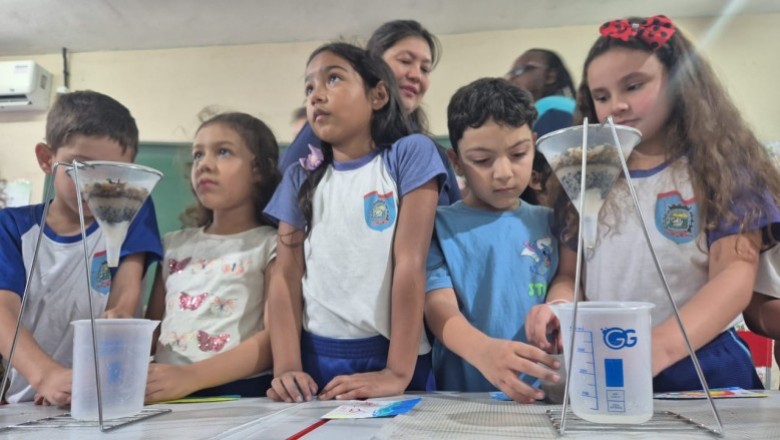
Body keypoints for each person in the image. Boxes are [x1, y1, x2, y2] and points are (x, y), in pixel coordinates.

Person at [525, 15, 780, 392]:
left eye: (633, 85)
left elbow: (733, 278)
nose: (617, 106)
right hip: (608, 362)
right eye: (601, 96)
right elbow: (570, 275)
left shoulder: (725, 171)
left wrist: (656, 349)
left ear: (680, 83)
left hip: (704, 366)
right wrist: (559, 309)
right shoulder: (584, 175)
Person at [264, 42, 447, 402]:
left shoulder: (409, 155)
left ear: (378, 95)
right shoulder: (300, 179)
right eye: (309, 87)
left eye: (333, 79)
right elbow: (285, 276)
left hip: (396, 356)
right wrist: (286, 367)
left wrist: (396, 372)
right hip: (314, 364)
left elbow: (410, 263)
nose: (317, 95)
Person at [0, 90, 163, 405]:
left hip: (101, 394)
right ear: (47, 159)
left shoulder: (131, 206)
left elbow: (126, 291)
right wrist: (45, 375)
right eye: (82, 167)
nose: (98, 185)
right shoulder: (12, 227)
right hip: (27, 400)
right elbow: (3, 310)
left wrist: (119, 320)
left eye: (115, 174)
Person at [424, 78, 561, 403]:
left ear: (534, 143)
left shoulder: (550, 221)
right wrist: (482, 351)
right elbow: (436, 305)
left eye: (518, 154)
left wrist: (558, 306)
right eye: (482, 160)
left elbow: (565, 280)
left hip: (548, 398)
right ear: (456, 161)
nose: (503, 172)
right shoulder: (440, 226)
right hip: (466, 400)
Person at [144, 113, 282, 401]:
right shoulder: (173, 245)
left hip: (240, 393)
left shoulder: (270, 244)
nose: (204, 164)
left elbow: (275, 339)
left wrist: (192, 377)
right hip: (165, 393)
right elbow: (150, 333)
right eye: (197, 155)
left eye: (223, 152)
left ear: (259, 170)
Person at [278, 19, 460, 206]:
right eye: (405, 61)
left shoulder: (427, 150)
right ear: (373, 65)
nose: (416, 75)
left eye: (425, 69)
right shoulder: (327, 126)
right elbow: (285, 199)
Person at [507, 49, 577, 205]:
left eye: (523, 69)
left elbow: (556, 174)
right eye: (511, 72)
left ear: (550, 76)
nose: (513, 76)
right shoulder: (568, 108)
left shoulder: (551, 107)